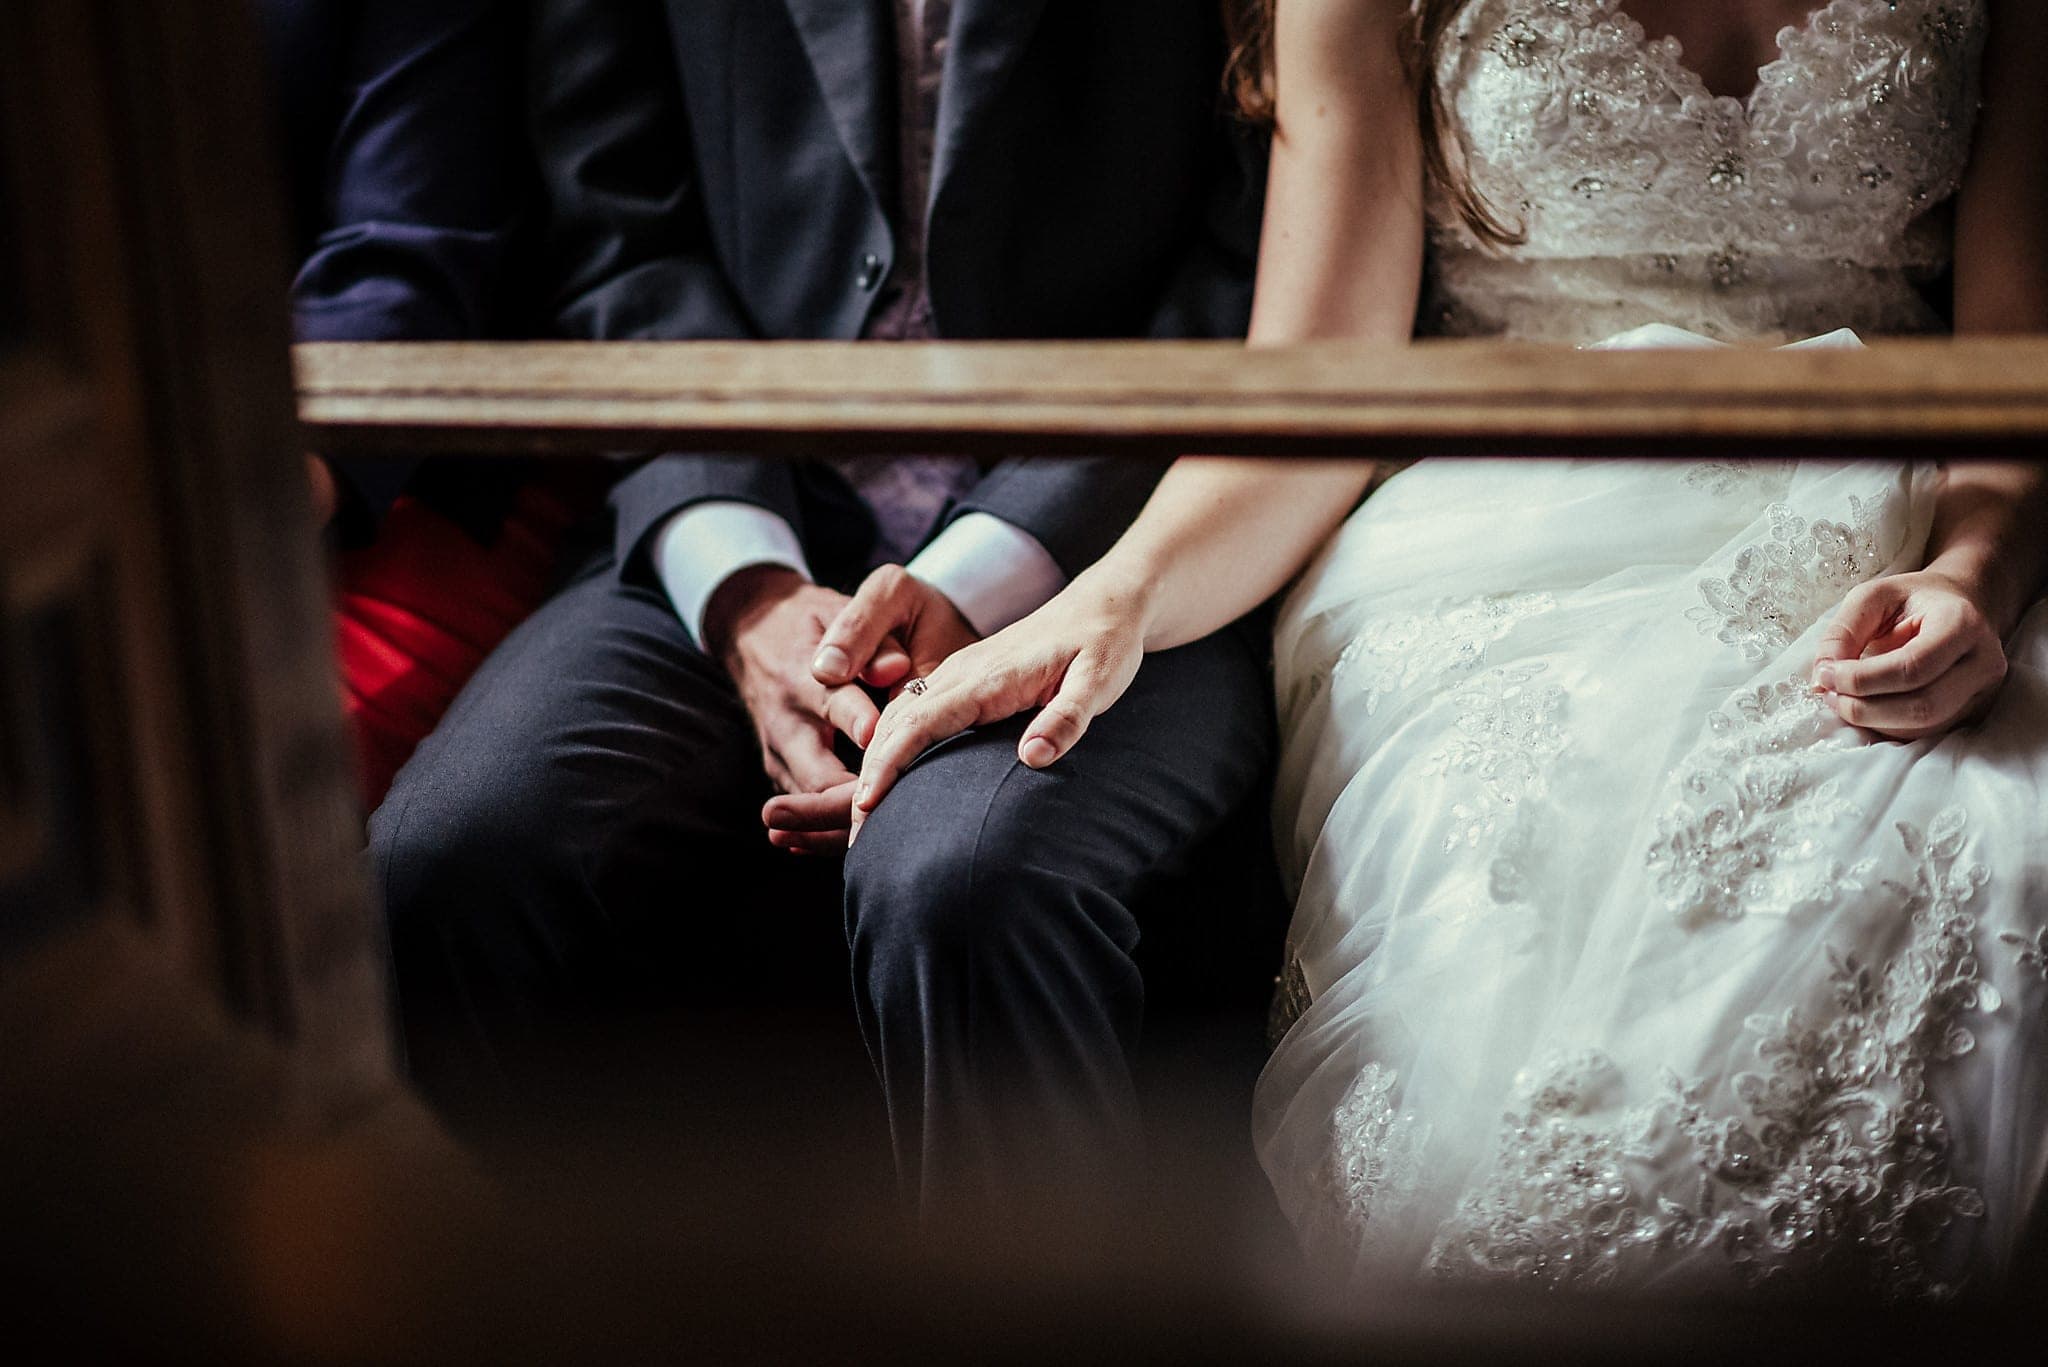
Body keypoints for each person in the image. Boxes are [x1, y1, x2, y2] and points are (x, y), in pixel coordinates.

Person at [848, 0, 2048, 1294]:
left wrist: (1974, 571)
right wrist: (1112, 596)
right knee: (1549, 915)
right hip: (1511, 535)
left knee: (1998, 847)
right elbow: (1313, 391)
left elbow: (2015, 350)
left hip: (1927, 522)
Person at [369, 0, 1280, 1209]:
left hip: (1121, 533)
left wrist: (987, 568)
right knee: (449, 852)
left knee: (957, 877)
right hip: (742, 496)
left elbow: (1248, 266)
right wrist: (744, 585)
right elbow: (619, 237)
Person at [253, 0, 589, 807]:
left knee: (205, 781)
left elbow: (402, 261)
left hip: (405, 464)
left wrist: (233, 513)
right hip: (109, 470)